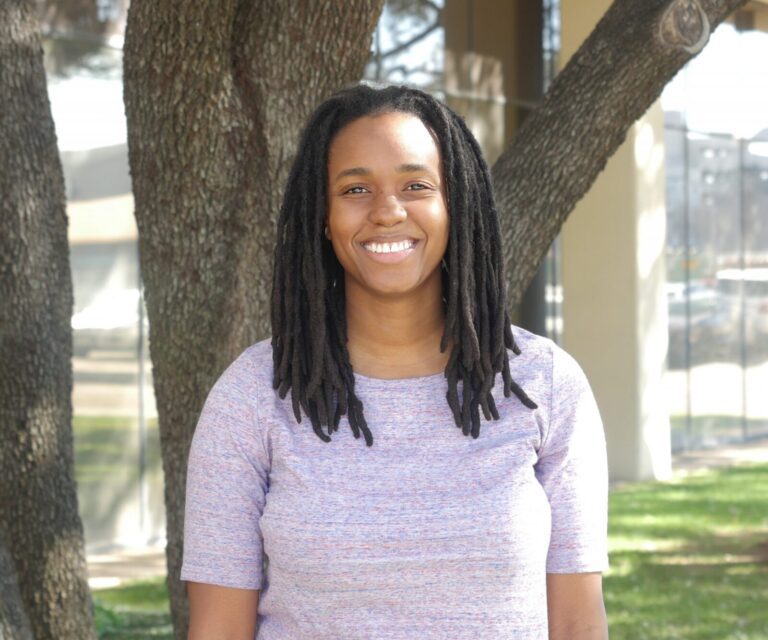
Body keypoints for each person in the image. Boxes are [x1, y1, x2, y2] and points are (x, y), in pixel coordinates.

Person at [181, 84, 609, 639]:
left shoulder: (542, 384)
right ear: (322, 215)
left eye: (416, 185)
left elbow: (577, 623)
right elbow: (218, 630)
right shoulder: (254, 395)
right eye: (355, 188)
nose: (387, 211)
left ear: (456, 206)